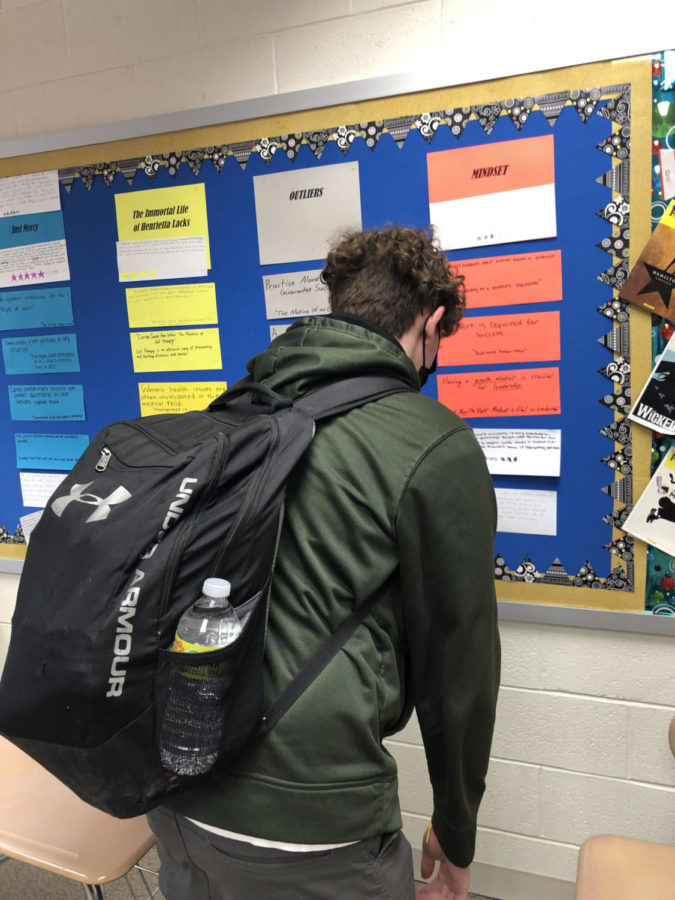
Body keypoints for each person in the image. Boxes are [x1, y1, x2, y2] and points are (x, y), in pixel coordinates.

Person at [147, 225, 500, 900]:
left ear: (341, 303)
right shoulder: (432, 443)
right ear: (429, 323)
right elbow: (460, 666)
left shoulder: (238, 407)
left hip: (178, 777)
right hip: (308, 817)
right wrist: (456, 831)